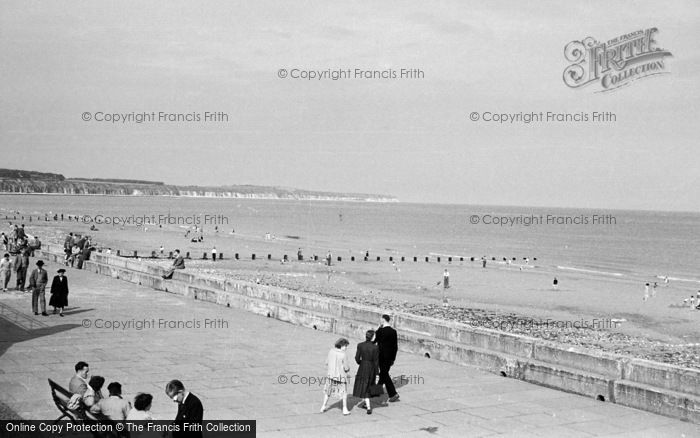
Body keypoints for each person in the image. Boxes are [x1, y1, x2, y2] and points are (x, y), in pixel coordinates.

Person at [320, 338, 351, 415]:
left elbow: (326, 362)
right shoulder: (343, 354)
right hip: (340, 376)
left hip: (331, 375)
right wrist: (347, 370)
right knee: (344, 393)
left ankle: (323, 406)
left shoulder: (331, 351)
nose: (346, 347)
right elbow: (346, 368)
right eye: (346, 346)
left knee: (328, 391)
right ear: (342, 345)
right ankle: (344, 409)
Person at [353, 330, 379, 415]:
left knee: (363, 384)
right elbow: (376, 362)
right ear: (372, 337)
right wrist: (377, 373)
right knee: (368, 386)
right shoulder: (375, 347)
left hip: (362, 367)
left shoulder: (360, 345)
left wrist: (362, 363)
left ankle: (365, 403)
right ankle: (368, 407)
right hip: (371, 368)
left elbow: (357, 358)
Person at [374, 315, 399, 402]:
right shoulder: (393, 331)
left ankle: (393, 394)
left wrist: (377, 329)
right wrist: (393, 359)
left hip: (381, 356)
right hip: (389, 357)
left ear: (383, 320)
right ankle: (376, 391)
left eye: (381, 319)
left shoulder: (380, 331)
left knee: (384, 374)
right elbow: (395, 347)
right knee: (384, 373)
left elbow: (374, 341)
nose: (380, 321)